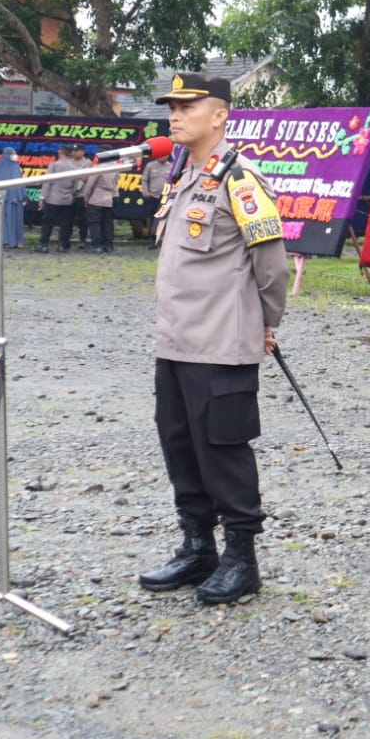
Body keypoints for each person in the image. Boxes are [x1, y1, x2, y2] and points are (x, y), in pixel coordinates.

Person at [138, 73, 288, 605]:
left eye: (186, 106)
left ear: (219, 114)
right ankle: (196, 546)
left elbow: (271, 263)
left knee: (223, 449)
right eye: (170, 107)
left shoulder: (241, 178)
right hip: (174, 343)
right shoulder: (183, 176)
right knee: (179, 446)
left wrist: (267, 323)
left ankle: (241, 560)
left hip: (222, 343)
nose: (173, 115)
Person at [36, 146, 79, 253]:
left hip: (52, 199)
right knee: (65, 223)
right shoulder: (74, 167)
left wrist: (42, 197)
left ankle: (44, 245)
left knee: (47, 223)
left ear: (60, 152)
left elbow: (47, 182)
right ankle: (62, 245)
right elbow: (75, 184)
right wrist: (71, 194)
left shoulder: (54, 165)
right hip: (67, 200)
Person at [0, 147, 27, 249]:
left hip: (14, 199)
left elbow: (20, 183)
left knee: (14, 220)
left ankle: (16, 240)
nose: (15, 155)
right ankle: (3, 240)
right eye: (13, 153)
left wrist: (23, 195)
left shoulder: (16, 166)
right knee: (1, 219)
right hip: (1, 198)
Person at [84, 162, 118, 253]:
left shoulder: (97, 168)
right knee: (107, 224)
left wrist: (86, 198)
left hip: (96, 198)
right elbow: (115, 183)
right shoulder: (115, 168)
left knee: (94, 223)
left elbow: (90, 185)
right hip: (109, 198)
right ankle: (108, 245)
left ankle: (97, 246)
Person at [136, 152, 170, 242]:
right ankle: (151, 239)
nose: (162, 156)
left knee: (163, 218)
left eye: (164, 154)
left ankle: (161, 239)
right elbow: (144, 180)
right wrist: (145, 192)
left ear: (168, 155)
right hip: (153, 196)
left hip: (165, 197)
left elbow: (174, 182)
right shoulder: (150, 166)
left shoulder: (171, 167)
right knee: (151, 218)